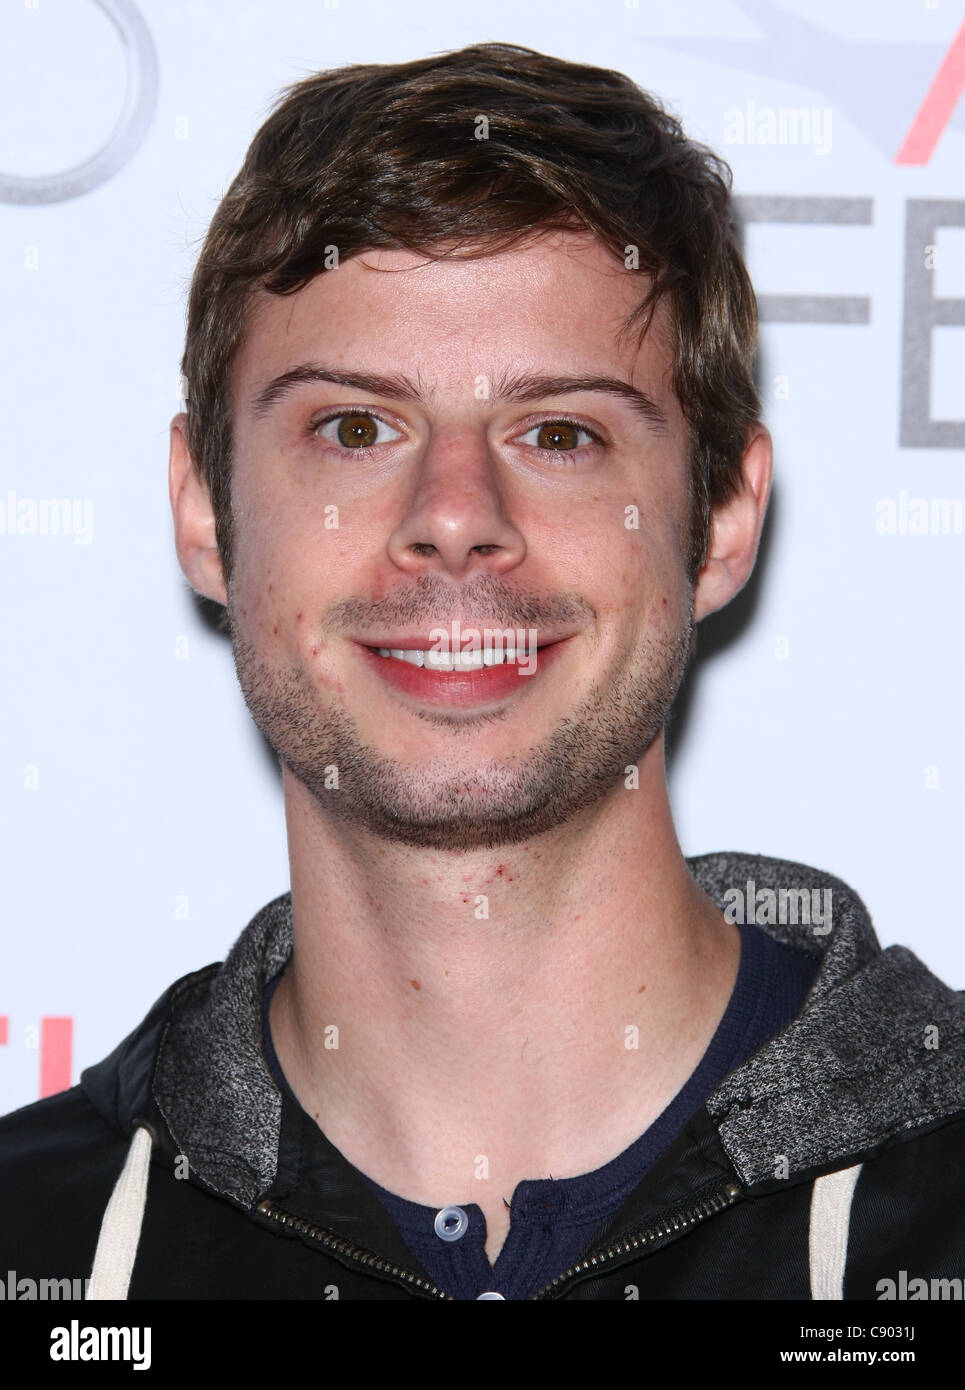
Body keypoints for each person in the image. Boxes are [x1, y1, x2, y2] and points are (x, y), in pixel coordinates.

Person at [2, 41, 963, 1304]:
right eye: (354, 427)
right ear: (201, 510)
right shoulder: (37, 1246)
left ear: (721, 518)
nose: (454, 515)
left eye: (559, 431)